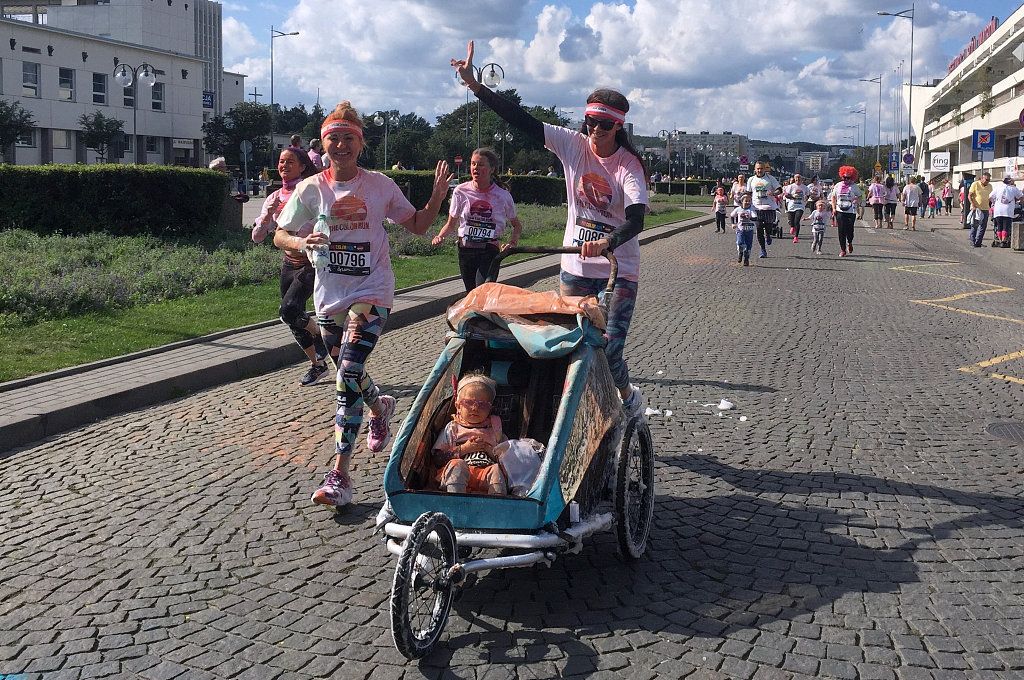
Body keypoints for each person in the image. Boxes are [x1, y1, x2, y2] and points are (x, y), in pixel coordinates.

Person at [453, 40, 649, 417]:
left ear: (618, 126)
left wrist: (609, 240)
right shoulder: (572, 144)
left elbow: (637, 217)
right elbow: (522, 120)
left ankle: (628, 397)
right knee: (563, 344)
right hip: (574, 267)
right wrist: (477, 87)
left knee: (608, 348)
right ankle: (568, 414)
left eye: (604, 125)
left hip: (617, 270)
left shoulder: (628, 165)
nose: (595, 131)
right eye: (590, 122)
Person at [275, 101, 453, 508]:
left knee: (347, 374)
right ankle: (379, 404)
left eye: (348, 138)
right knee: (351, 375)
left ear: (361, 144)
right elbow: (280, 235)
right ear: (323, 145)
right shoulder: (310, 189)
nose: (340, 145)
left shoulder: (380, 186)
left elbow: (419, 225)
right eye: (332, 138)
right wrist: (301, 242)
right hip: (329, 296)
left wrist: (438, 195)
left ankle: (340, 474)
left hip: (372, 290)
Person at [253, 147, 331, 387]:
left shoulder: (309, 192)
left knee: (289, 310)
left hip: (310, 262)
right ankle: (318, 364)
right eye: (280, 161)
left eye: (289, 162)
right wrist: (267, 216)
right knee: (291, 317)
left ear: (302, 166)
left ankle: (323, 338)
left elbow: (323, 220)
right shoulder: (274, 197)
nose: (283, 166)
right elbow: (257, 237)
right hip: (289, 263)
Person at [432, 147, 523, 292]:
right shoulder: (460, 191)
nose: (475, 168)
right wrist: (439, 236)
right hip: (465, 250)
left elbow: (517, 226)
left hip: (489, 250)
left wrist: (512, 243)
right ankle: (484, 314)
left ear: (492, 169)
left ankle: (484, 314)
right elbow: (450, 224)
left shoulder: (502, 196)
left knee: (481, 292)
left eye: (481, 165)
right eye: (473, 164)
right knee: (471, 293)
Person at [432, 373, 508, 495]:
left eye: (482, 404)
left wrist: (490, 450)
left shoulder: (495, 429)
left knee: (496, 470)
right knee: (457, 465)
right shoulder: (453, 428)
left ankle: (497, 503)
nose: (475, 408)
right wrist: (464, 449)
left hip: (484, 473)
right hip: (456, 474)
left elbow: (507, 461)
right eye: (469, 403)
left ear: (490, 409)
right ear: (458, 406)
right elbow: (438, 458)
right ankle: (455, 500)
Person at [746, 161, 782, 258]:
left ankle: (769, 235)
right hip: (756, 207)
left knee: (769, 227)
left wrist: (774, 193)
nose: (759, 170)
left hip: (769, 207)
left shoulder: (770, 179)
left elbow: (779, 189)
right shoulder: (751, 179)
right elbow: (748, 193)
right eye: (757, 168)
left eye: (761, 168)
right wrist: (745, 203)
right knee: (758, 228)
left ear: (764, 169)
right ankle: (763, 249)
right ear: (755, 169)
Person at [829, 166, 860, 256]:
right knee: (841, 230)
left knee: (850, 230)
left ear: (852, 177)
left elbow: (859, 196)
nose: (846, 179)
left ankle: (849, 242)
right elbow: (833, 197)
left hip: (851, 211)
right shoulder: (838, 185)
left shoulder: (854, 187)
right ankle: (843, 249)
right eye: (844, 177)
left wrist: (856, 200)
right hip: (840, 210)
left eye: (848, 178)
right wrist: (834, 208)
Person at [989, 175, 1022, 248]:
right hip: (1008, 210)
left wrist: (994, 202)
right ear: (1010, 181)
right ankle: (1003, 241)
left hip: (998, 210)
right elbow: (1021, 196)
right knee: (1006, 227)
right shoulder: (1013, 189)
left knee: (999, 226)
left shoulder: (998, 188)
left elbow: (990, 196)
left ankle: (999, 240)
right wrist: (1018, 201)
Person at [968, 172, 993, 247]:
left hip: (986, 208)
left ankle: (978, 242)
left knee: (983, 226)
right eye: (986, 179)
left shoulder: (990, 186)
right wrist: (972, 204)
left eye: (988, 180)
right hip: (977, 208)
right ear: (982, 178)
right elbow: (969, 196)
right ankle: (972, 241)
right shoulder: (975, 184)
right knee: (975, 225)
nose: (987, 181)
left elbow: (991, 197)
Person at [782, 173, 808, 243]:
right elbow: (786, 195)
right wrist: (792, 197)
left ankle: (796, 237)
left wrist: (806, 197)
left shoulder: (805, 187)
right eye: (796, 178)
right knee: (791, 220)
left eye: (799, 178)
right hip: (791, 206)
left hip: (800, 206)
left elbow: (808, 195)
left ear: (801, 179)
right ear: (794, 179)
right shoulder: (790, 186)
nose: (798, 180)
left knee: (797, 221)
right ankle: (792, 226)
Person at [731, 193, 756, 266]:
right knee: (740, 242)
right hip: (740, 229)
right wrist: (733, 224)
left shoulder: (752, 209)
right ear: (742, 201)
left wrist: (750, 218)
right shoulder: (738, 209)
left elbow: (755, 217)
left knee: (748, 245)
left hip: (749, 230)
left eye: (749, 201)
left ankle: (746, 259)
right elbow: (732, 216)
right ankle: (741, 252)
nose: (748, 202)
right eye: (746, 200)